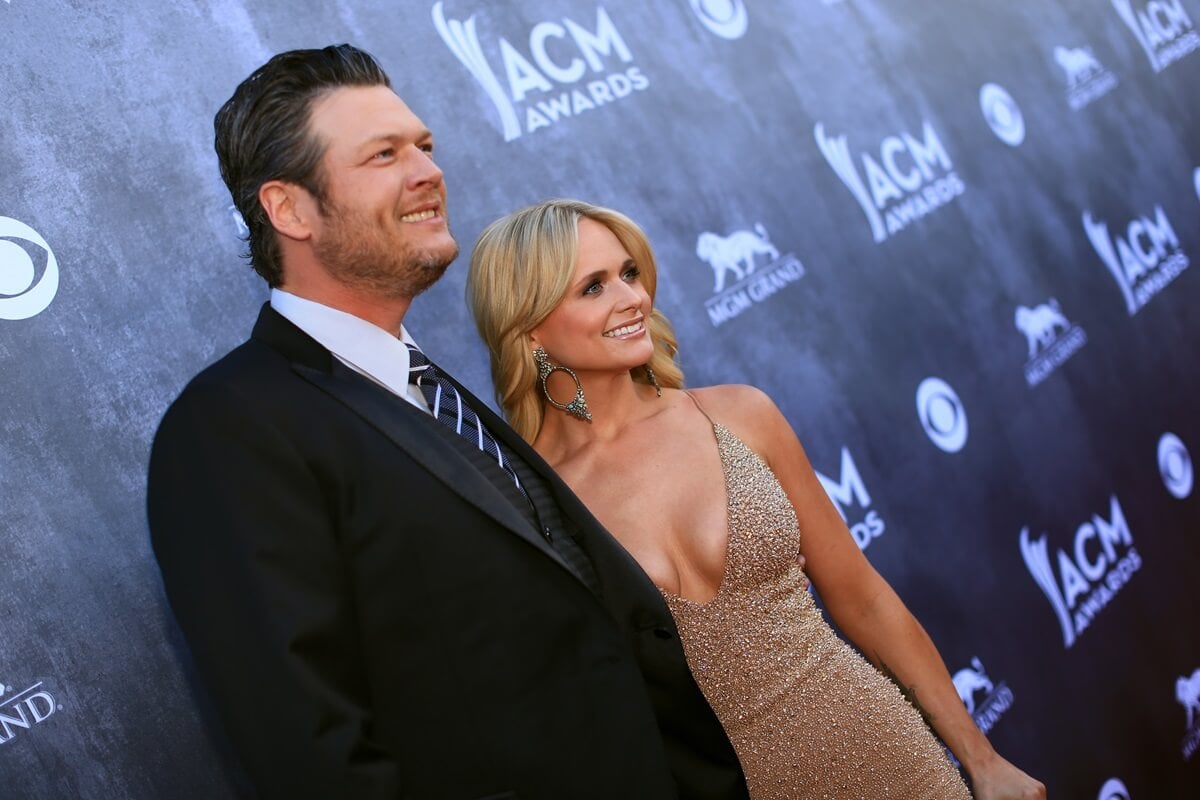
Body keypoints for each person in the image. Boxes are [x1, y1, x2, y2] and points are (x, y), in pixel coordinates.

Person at [146, 46, 749, 800]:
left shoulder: (428, 387)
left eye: (425, 146)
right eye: (384, 155)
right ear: (289, 209)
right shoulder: (230, 429)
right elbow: (315, 754)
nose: (428, 171)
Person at [466, 198, 1049, 800]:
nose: (632, 299)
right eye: (593, 287)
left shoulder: (739, 415)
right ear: (532, 327)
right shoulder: (536, 508)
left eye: (630, 274)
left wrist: (982, 761)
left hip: (889, 755)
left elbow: (864, 600)